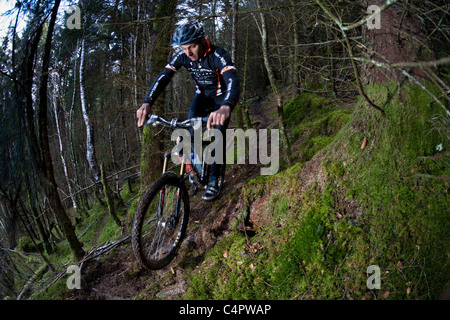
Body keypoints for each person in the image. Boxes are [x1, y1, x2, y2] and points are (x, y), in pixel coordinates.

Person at [136, 20, 240, 201]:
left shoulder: (217, 54)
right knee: (190, 135)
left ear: (202, 40)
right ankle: (195, 168)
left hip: (220, 100)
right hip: (201, 98)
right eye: (184, 48)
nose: (188, 53)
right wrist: (147, 102)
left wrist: (226, 107)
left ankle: (214, 179)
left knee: (218, 135)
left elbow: (232, 79)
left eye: (192, 47)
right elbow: (164, 76)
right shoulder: (183, 56)